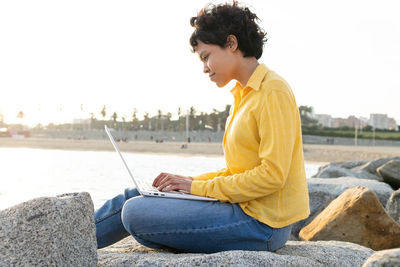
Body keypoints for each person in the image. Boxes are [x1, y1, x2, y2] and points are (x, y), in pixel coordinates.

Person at [94, 2, 310, 253]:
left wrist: (196, 188)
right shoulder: (243, 95)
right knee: (136, 195)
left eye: (206, 57)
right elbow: (237, 170)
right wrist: (188, 181)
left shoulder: (272, 91)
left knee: (135, 213)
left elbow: (272, 175)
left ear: (231, 43)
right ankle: (67, 240)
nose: (205, 68)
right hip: (244, 209)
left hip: (263, 224)